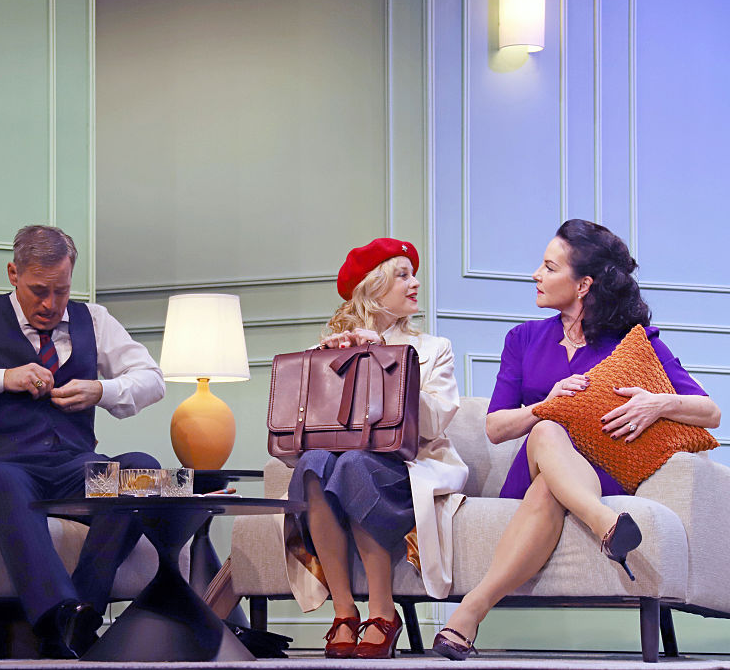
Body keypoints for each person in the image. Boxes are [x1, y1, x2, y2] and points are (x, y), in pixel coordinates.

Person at [432, 219, 722, 661]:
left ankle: (469, 614)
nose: (536, 275)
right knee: (548, 428)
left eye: (549, 267)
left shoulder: (631, 342)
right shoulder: (524, 339)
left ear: (583, 284)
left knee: (549, 488)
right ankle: (607, 525)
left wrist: (657, 403)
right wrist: (542, 405)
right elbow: (495, 427)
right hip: (538, 458)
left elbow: (711, 412)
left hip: (599, 472)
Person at [0, 224, 165, 658]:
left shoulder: (94, 319)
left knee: (147, 471)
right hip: (2, 465)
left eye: (61, 291)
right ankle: (53, 618)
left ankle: (84, 611)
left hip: (73, 469)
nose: (50, 305)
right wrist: (0, 379)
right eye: (39, 291)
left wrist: (101, 391)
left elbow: (152, 380)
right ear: (13, 273)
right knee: (7, 482)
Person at [283, 238, 469, 659]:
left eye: (412, 273)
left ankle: (383, 612)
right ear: (373, 286)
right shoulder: (325, 352)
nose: (415, 283)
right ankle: (345, 612)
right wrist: (334, 365)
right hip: (339, 465)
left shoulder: (433, 349)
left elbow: (435, 421)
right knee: (313, 464)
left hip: (406, 465)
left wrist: (382, 357)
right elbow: (298, 445)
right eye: (402, 275)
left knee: (353, 464)